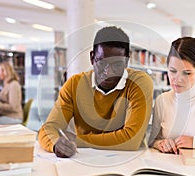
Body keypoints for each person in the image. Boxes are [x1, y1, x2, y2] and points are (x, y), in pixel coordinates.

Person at [38, 26, 153, 158]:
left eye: (117, 65)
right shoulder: (74, 85)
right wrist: (55, 144)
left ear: (127, 61)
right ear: (92, 58)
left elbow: (131, 140)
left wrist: (76, 140)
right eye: (103, 63)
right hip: (84, 159)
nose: (108, 73)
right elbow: (48, 128)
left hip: (129, 161)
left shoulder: (139, 82)